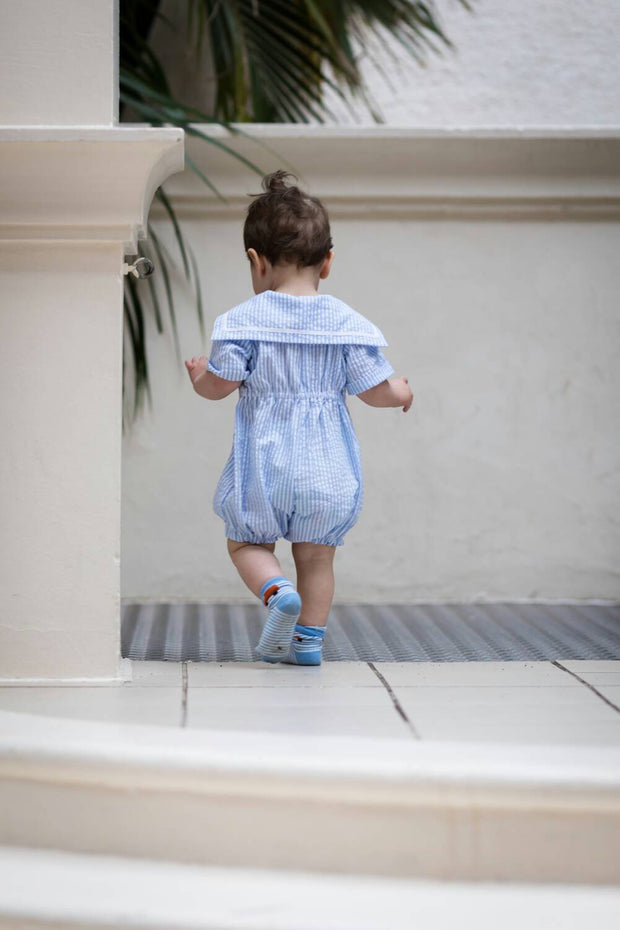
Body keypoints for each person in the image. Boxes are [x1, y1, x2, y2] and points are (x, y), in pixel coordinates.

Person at [185, 170, 413, 666]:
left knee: (246, 542)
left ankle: (274, 592)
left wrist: (200, 375)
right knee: (317, 558)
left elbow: (219, 388)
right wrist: (403, 392)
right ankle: (308, 644)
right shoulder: (347, 325)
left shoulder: (242, 321)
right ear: (327, 262)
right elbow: (376, 390)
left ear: (255, 260)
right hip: (326, 469)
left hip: (263, 468)